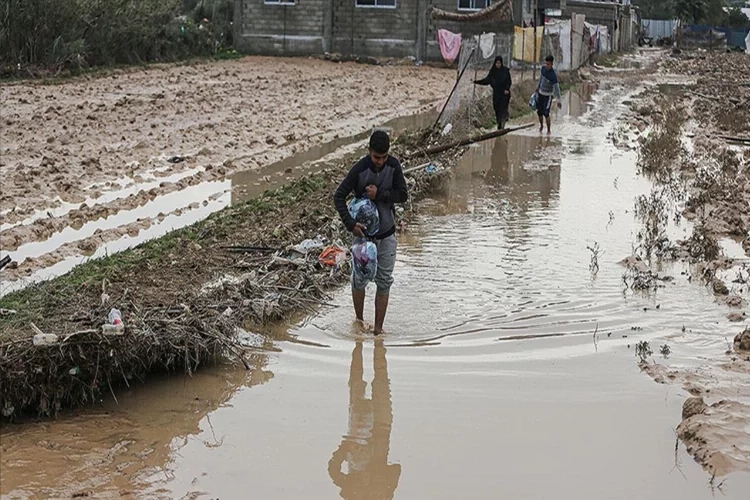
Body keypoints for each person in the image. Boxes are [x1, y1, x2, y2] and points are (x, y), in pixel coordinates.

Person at [334, 130, 408, 335]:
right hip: (363, 238)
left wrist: (380, 194)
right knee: (359, 279)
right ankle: (359, 321)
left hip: (387, 236)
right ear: (369, 152)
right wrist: (350, 224)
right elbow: (339, 196)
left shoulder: (393, 166)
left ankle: (378, 330)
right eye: (377, 157)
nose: (380, 162)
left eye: (384, 157)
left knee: (384, 282)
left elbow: (403, 195)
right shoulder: (359, 169)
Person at [328, 340, 401, 499]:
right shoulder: (382, 494)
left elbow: (332, 469)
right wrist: (380, 477)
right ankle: (368, 342)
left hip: (358, 431)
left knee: (357, 383)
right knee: (379, 380)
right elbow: (397, 469)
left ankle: (359, 343)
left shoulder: (352, 490)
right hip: (381, 430)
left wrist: (345, 447)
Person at [473, 55, 512, 130]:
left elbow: (509, 81)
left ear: (501, 63)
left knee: (503, 108)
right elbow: (487, 80)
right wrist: (476, 82)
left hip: (504, 93)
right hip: (496, 93)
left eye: (499, 63)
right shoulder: (493, 72)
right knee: (496, 108)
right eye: (497, 63)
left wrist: (507, 89)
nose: (498, 65)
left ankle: (503, 122)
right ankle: (499, 123)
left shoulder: (505, 71)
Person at [536, 55, 562, 134]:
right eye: (546, 64)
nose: (546, 66)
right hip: (540, 93)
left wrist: (559, 100)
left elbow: (557, 88)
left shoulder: (553, 75)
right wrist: (538, 86)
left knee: (546, 113)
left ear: (551, 64)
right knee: (539, 112)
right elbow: (541, 78)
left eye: (548, 64)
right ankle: (541, 126)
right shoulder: (543, 69)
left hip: (548, 96)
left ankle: (548, 130)